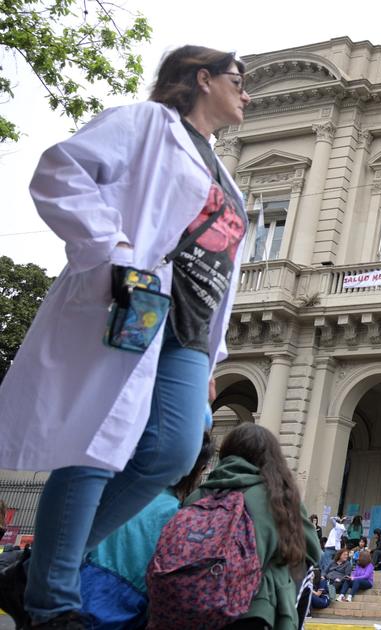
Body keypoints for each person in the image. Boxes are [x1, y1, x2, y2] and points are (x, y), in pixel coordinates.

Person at [0, 44, 252, 630]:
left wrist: (214, 354)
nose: (247, 91)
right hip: (134, 302)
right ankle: (53, 599)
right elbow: (62, 170)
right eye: (238, 78)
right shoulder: (145, 124)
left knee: (174, 449)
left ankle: (39, 567)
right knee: (97, 442)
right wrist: (111, 249)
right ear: (201, 77)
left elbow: (218, 268)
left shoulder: (224, 175)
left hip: (189, 333)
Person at [181, 422, 321, 630]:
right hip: (252, 611)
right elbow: (311, 552)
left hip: (188, 603)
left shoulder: (196, 495)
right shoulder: (276, 496)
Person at [81, 429, 214, 628]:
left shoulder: (120, 490)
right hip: (127, 609)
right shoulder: (176, 516)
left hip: (80, 589)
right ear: (198, 470)